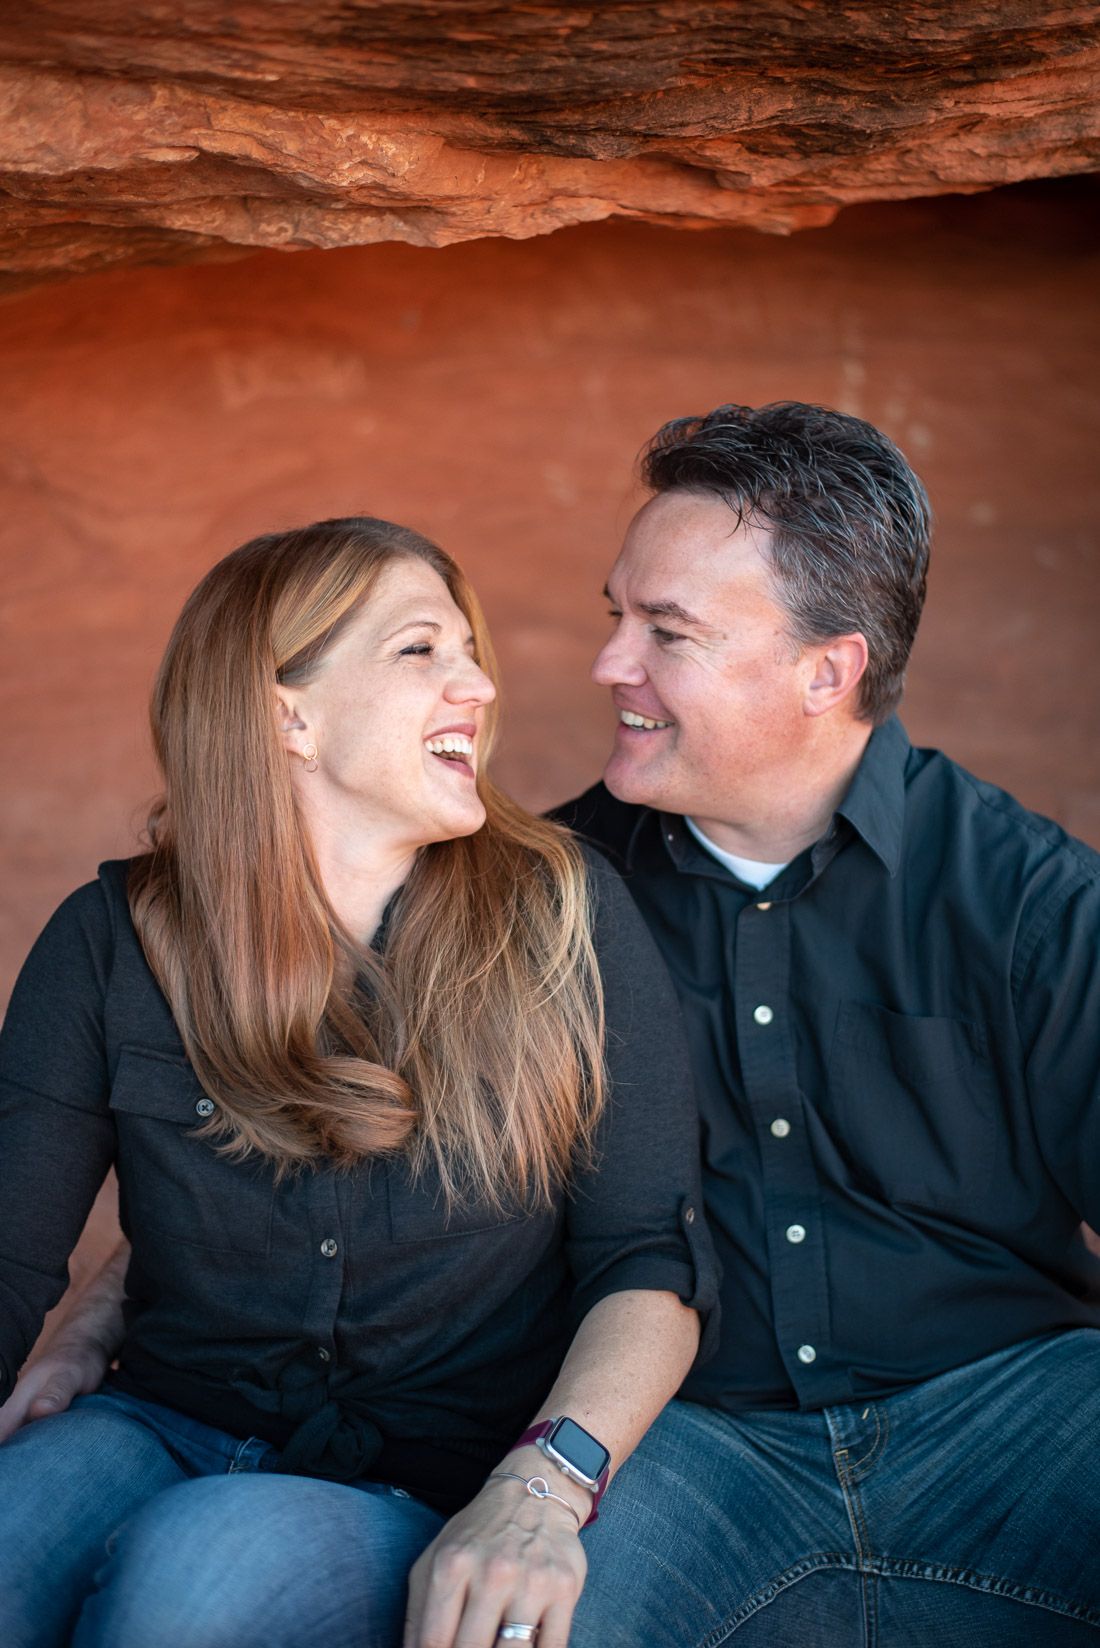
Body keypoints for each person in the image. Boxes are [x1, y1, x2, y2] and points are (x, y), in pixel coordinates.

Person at [12, 400, 1100, 1644]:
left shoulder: (1024, 899)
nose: (603, 665)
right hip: (699, 1444)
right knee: (515, 1615)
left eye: (666, 632)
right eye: (612, 616)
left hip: (1004, 1404)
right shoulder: (533, 892)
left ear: (826, 669)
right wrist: (109, 1310)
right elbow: (297, 1148)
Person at [0, 516, 715, 1648]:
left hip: (425, 1481)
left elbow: (650, 1259)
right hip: (163, 1418)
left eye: (468, 649)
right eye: (419, 649)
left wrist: (544, 1483)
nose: (477, 683)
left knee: (190, 1579)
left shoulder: (562, 914)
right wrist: (86, 1329)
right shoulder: (112, 939)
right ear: (287, 712)